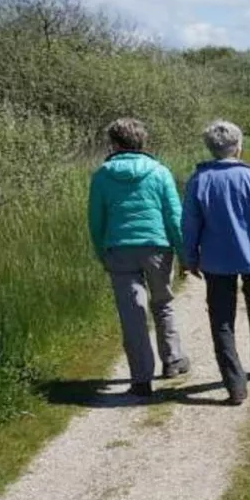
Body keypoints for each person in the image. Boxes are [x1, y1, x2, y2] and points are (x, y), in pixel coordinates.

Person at [183, 120, 250, 406]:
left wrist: (190, 257)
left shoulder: (199, 180)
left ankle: (235, 385)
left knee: (221, 322)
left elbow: (190, 224)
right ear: (239, 147)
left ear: (210, 148)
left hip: (215, 262)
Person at [88, 118, 189, 399]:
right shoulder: (159, 172)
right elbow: (174, 218)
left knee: (132, 314)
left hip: (119, 249)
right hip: (157, 247)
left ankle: (141, 378)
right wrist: (184, 255)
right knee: (163, 303)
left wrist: (102, 253)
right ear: (142, 142)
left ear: (114, 144)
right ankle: (172, 360)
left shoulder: (102, 175)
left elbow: (96, 221)